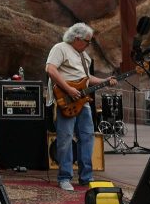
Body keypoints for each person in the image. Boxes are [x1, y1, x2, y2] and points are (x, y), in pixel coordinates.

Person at [45, 23, 116, 192]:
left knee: (87, 137)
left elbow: (86, 78)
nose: (88, 44)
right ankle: (64, 177)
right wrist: (69, 89)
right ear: (76, 38)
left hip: (82, 102)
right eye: (87, 41)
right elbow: (50, 69)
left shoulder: (84, 56)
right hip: (66, 100)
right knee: (66, 138)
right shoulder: (60, 48)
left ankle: (86, 176)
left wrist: (106, 81)